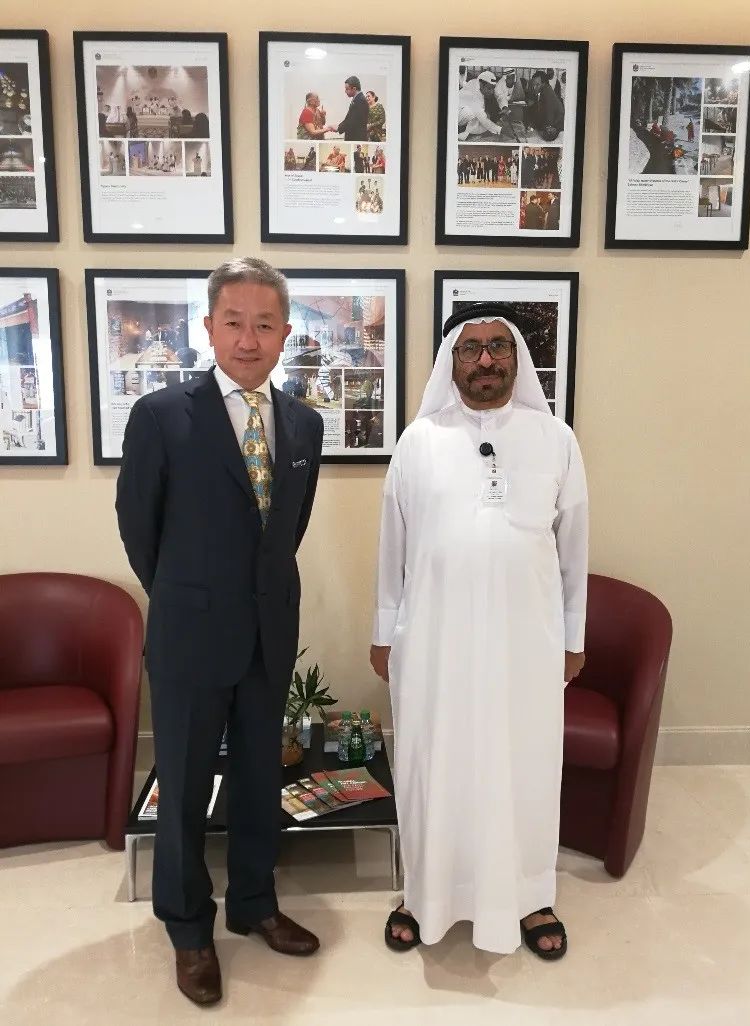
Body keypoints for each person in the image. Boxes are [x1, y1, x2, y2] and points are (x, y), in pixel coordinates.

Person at [116, 258, 324, 1007]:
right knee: (183, 786)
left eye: (264, 324)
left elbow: (287, 528)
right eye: (233, 322)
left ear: (285, 333)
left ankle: (254, 903)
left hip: (269, 629)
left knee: (260, 776)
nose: (248, 338)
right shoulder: (162, 416)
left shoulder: (304, 423)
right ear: (208, 327)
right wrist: (186, 595)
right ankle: (187, 927)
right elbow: (139, 529)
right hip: (190, 635)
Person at [370, 302, 588, 960]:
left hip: (526, 640)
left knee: (524, 764)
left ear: (516, 359)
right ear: (451, 362)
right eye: (470, 349)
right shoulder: (418, 441)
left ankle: (529, 895)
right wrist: (384, 631)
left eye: (498, 347)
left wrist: (573, 637)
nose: (485, 359)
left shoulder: (555, 439)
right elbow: (392, 549)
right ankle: (426, 894)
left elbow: (574, 548)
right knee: (433, 762)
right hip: (434, 640)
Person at [457, 71, 507, 141]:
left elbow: (499, 95)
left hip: (465, 112)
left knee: (485, 116)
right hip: (457, 116)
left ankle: (467, 131)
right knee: (478, 115)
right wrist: (500, 130)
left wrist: (504, 106)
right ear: (481, 85)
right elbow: (482, 117)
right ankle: (462, 132)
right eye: (489, 89)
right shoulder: (473, 93)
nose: (492, 91)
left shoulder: (477, 82)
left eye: (493, 88)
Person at [526, 70, 565, 142]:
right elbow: (539, 112)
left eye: (537, 85)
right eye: (534, 85)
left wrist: (535, 127)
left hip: (557, 127)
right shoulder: (543, 91)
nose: (534, 88)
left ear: (544, 83)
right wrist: (532, 126)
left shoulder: (547, 92)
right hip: (552, 126)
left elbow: (548, 115)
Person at [327, 76, 369, 141]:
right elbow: (349, 118)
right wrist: (338, 126)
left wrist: (338, 128)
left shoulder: (360, 100)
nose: (345, 91)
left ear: (354, 89)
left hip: (357, 138)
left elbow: (352, 121)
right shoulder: (357, 99)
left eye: (347, 89)